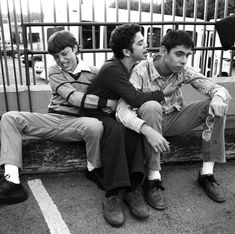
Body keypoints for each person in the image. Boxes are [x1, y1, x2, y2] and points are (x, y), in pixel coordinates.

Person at [116, 29, 231, 210]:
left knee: (218, 105)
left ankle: (206, 174)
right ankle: (153, 179)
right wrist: (145, 129)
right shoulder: (141, 70)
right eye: (179, 54)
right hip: (150, 124)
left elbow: (217, 88)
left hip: (175, 118)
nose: (184, 60)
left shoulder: (183, 71)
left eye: (187, 55)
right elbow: (121, 110)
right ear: (163, 51)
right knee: (151, 106)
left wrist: (217, 97)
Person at [0, 30, 117, 205]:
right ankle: (12, 182)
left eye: (64, 53)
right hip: (54, 120)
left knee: (94, 125)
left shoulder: (95, 72)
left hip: (79, 123)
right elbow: (74, 98)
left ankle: (93, 169)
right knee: (9, 117)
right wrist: (109, 102)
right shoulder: (54, 71)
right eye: (56, 56)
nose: (61, 60)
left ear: (75, 48)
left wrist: (109, 105)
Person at [79, 23, 165, 227]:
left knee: (132, 127)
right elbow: (135, 98)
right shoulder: (113, 69)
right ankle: (112, 193)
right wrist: (163, 93)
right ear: (127, 51)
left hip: (112, 113)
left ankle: (133, 189)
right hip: (94, 115)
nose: (146, 46)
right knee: (117, 129)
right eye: (141, 43)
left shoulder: (133, 67)